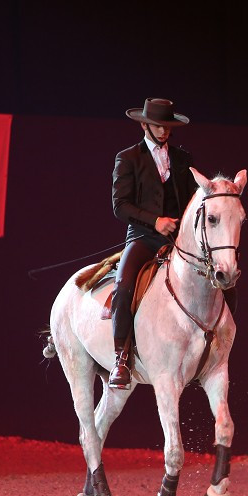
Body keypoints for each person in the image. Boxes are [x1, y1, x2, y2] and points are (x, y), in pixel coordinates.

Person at [108, 98, 198, 389]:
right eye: (158, 126)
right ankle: (121, 359)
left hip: (178, 240)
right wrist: (155, 221)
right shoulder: (128, 158)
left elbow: (196, 197)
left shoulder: (183, 159)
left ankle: (210, 348)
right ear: (145, 125)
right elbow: (120, 205)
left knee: (216, 278)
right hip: (144, 238)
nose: (163, 132)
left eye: (167, 127)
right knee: (124, 286)